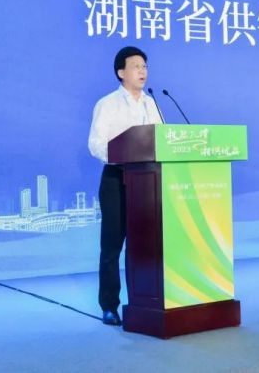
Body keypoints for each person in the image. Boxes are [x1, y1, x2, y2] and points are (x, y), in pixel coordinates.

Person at [88, 46, 163, 326]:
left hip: (148, 182)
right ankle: (109, 305)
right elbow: (96, 144)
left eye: (145, 66)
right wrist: (125, 155)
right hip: (116, 179)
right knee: (112, 247)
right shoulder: (107, 104)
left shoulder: (151, 103)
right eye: (136, 66)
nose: (142, 71)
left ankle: (145, 302)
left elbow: (162, 140)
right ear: (121, 72)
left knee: (144, 246)